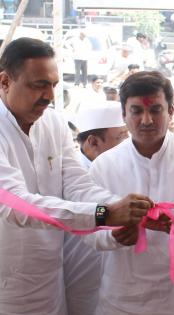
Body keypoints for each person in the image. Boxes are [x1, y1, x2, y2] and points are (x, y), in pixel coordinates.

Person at [0, 38, 151, 315]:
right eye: (38, 85)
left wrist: (128, 214)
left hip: (51, 279)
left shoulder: (53, 122)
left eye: (53, 85)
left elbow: (77, 184)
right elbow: (16, 205)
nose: (49, 96)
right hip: (8, 288)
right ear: (5, 82)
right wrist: (105, 214)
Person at [85, 71, 174, 315]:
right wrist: (115, 236)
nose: (146, 120)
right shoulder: (104, 165)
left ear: (171, 111)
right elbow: (90, 228)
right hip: (123, 300)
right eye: (136, 111)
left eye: (155, 110)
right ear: (123, 114)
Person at [65, 102, 128, 314]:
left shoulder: (121, 169)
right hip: (80, 279)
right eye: (121, 137)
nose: (129, 143)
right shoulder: (72, 176)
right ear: (92, 142)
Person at [75, 101, 128, 169]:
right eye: (121, 136)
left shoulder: (124, 162)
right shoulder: (74, 173)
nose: (129, 141)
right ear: (94, 142)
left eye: (128, 133)